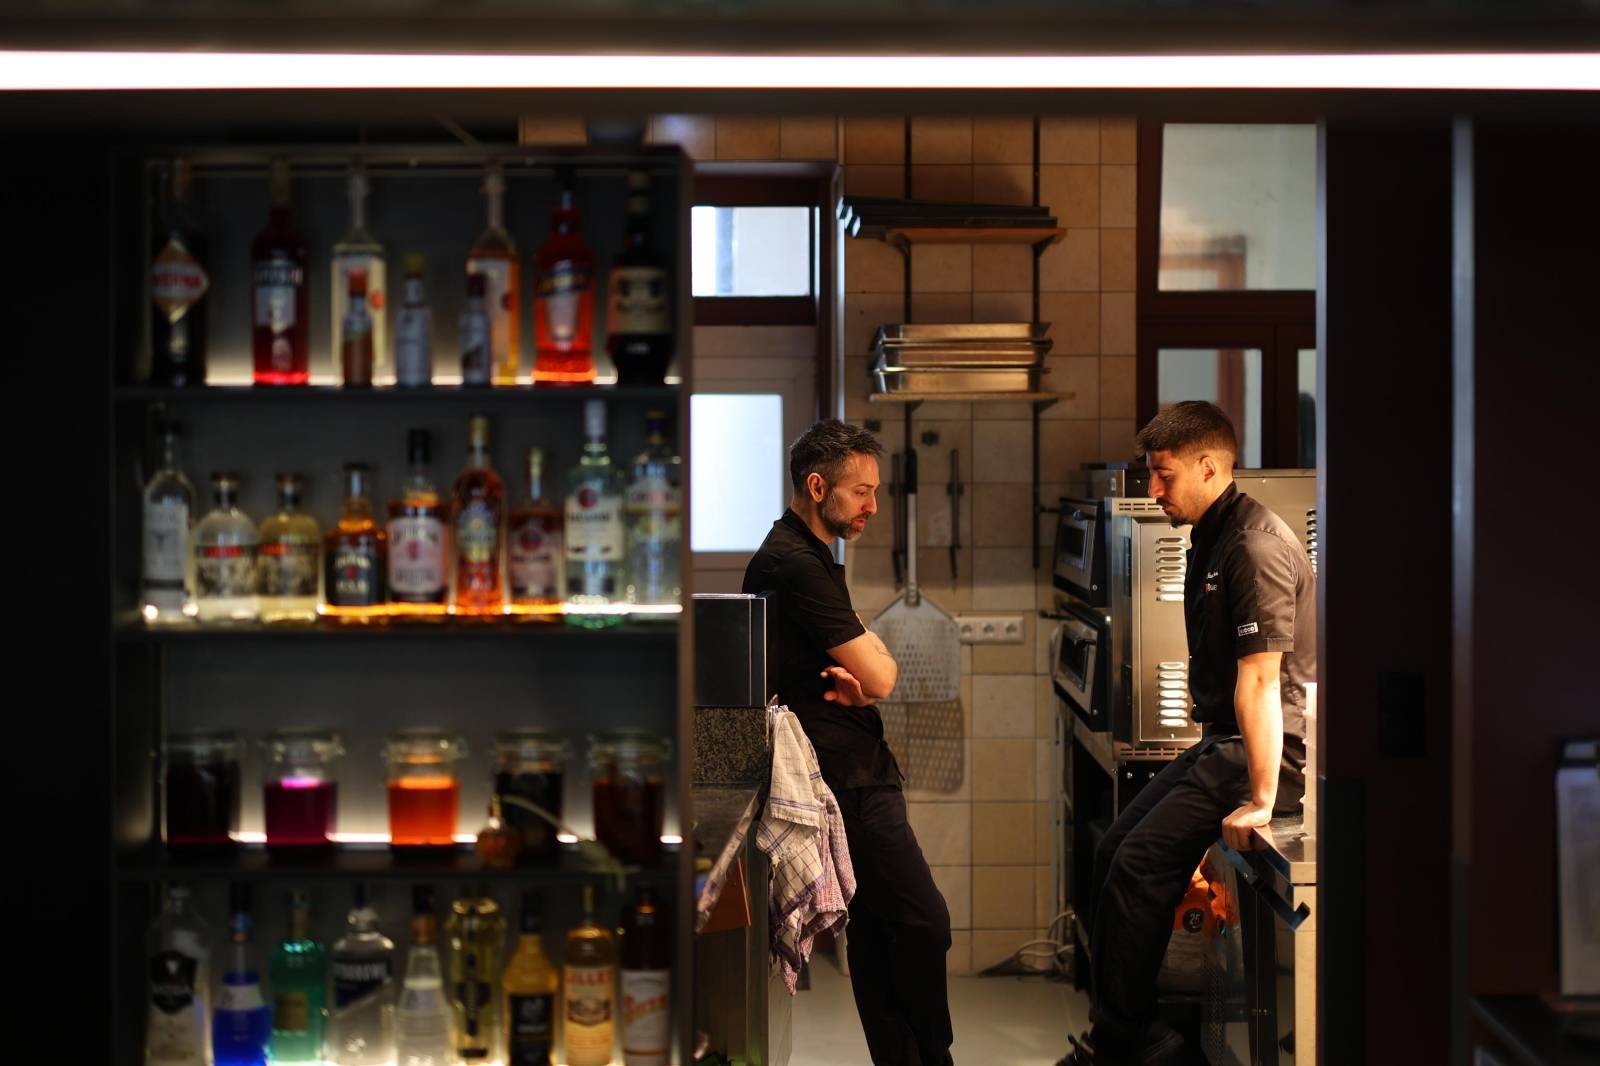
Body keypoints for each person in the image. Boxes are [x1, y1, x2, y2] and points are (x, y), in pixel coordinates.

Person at [1062, 401, 1315, 1066]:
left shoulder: (1254, 547)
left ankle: (1128, 1044)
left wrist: (1263, 798)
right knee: (1117, 849)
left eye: (1163, 476)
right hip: (1226, 741)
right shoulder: (1210, 533)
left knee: (1140, 866)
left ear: (1210, 466)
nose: (1154, 490)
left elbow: (1261, 682)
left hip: (1270, 749)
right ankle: (1123, 1033)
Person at [743, 418, 954, 1066]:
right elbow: (883, 672)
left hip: (857, 770)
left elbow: (869, 661)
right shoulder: (793, 564)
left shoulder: (811, 557)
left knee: (883, 932)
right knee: (922, 921)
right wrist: (871, 674)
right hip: (845, 781)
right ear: (817, 486)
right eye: (861, 492)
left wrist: (869, 673)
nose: (872, 506)